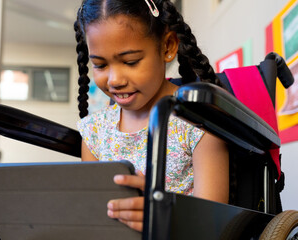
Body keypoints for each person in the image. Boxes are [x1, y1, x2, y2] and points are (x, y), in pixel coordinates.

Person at [75, 0, 229, 232]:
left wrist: (164, 215)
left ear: (167, 47)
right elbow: (94, 216)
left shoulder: (198, 121)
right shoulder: (94, 132)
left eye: (130, 62)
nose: (114, 80)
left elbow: (211, 223)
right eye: (100, 64)